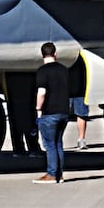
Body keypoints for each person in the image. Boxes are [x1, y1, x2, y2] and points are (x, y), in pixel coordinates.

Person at [34, 42, 71, 184]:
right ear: (55, 54)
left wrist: (38, 108)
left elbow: (42, 92)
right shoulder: (64, 70)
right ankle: (59, 174)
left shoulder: (42, 71)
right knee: (58, 143)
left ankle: (51, 174)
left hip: (49, 113)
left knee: (49, 145)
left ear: (42, 55)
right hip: (63, 111)